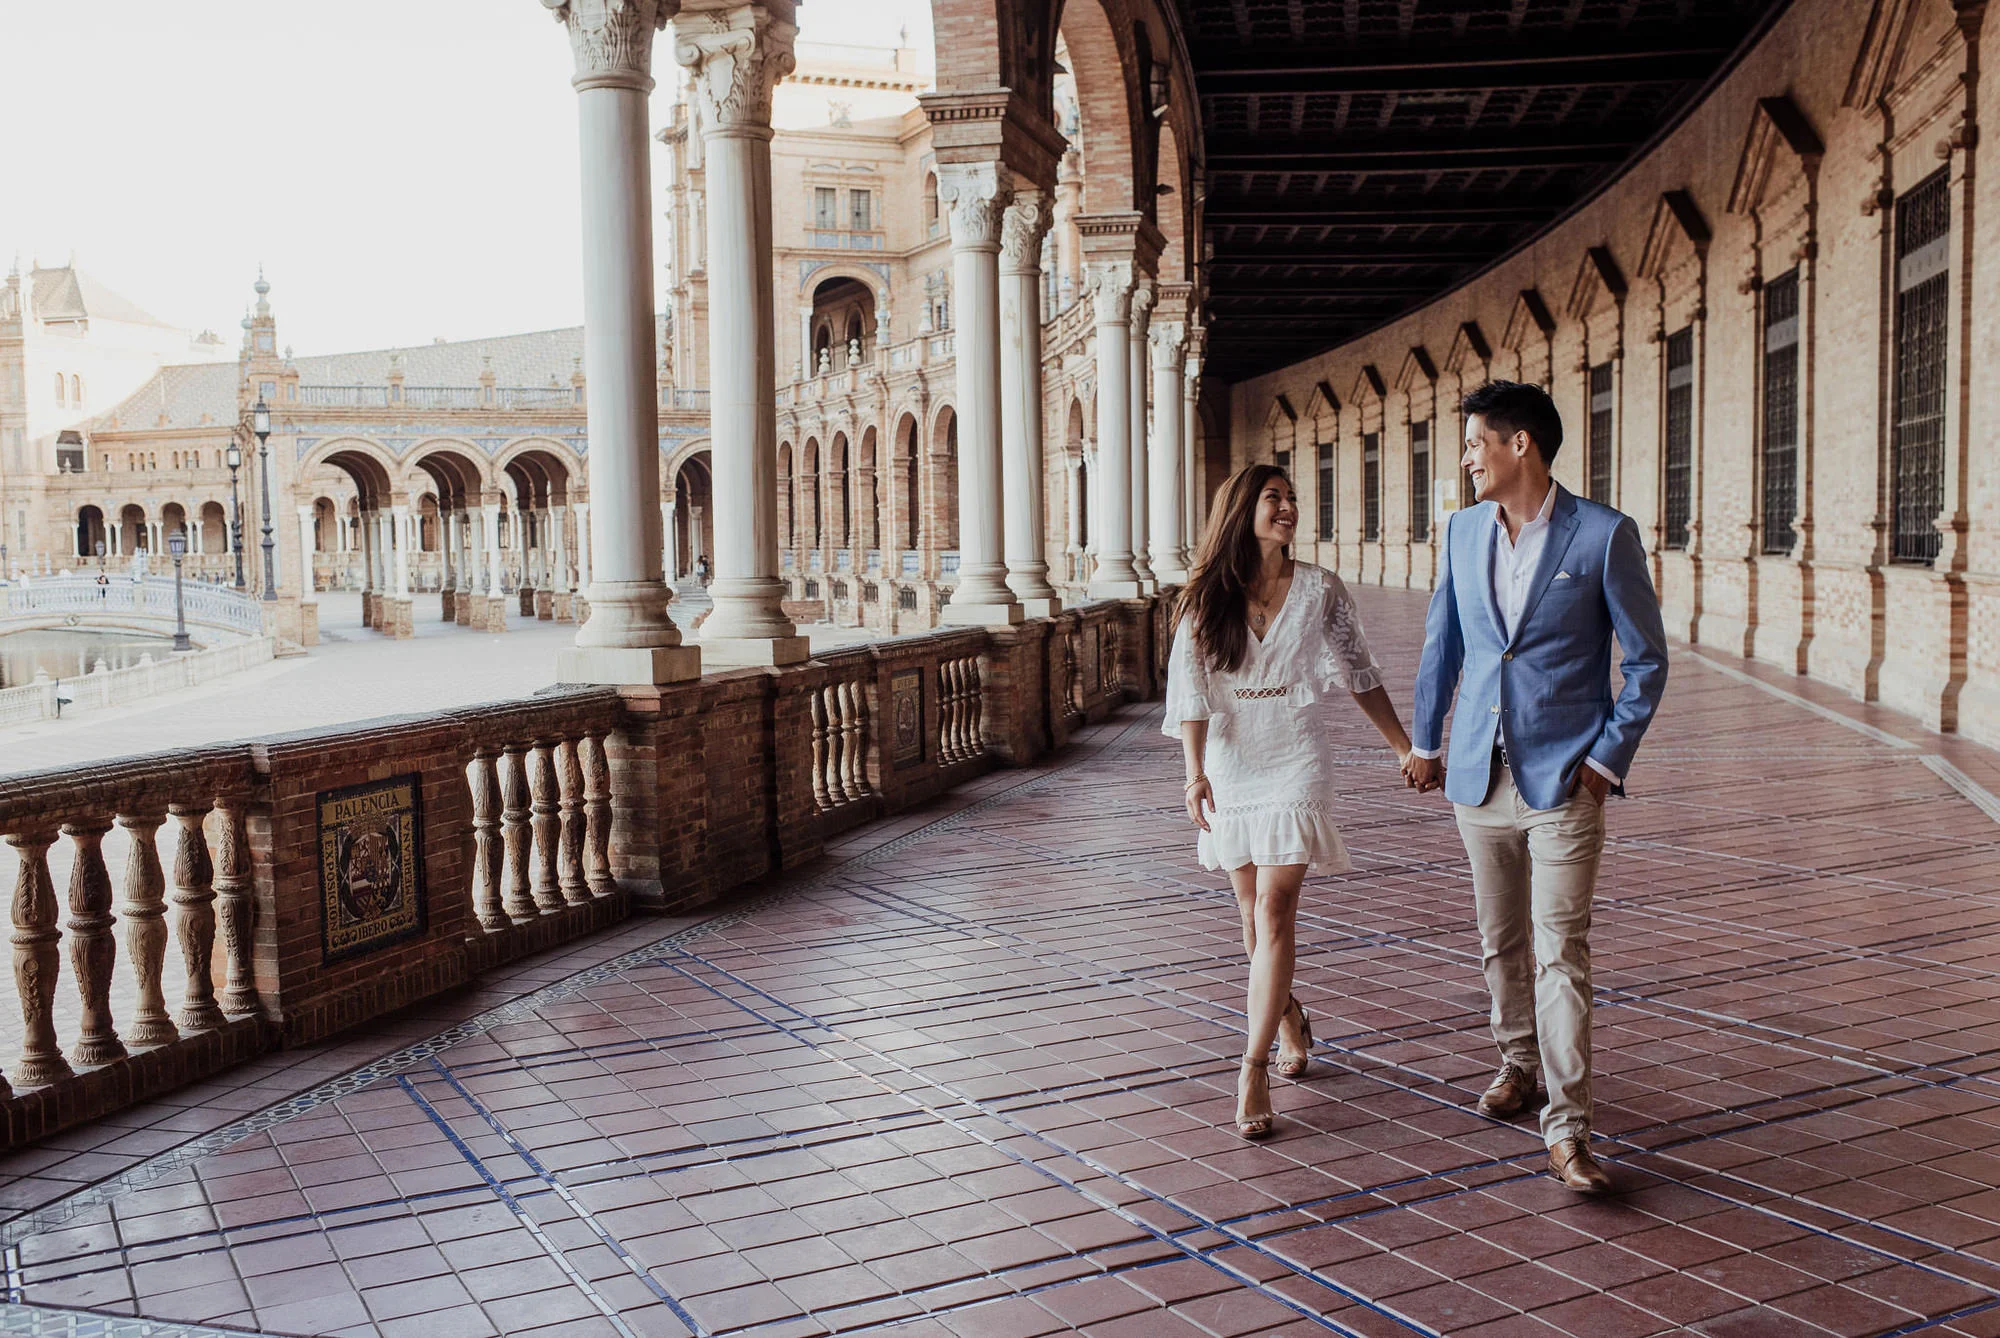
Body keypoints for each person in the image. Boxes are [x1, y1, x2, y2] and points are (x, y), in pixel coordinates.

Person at [1403, 380, 1668, 1194]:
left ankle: (1568, 1128)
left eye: (1476, 442)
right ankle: (1518, 1063)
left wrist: (1604, 761)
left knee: (1562, 955)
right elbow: (1443, 642)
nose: (1465, 458)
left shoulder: (1602, 535)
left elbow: (1647, 660)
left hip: (1563, 783)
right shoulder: (1461, 531)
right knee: (1500, 942)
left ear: (1521, 445)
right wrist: (1425, 739)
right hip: (1479, 778)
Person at [1166, 464, 1417, 1140]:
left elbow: (1360, 673)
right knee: (1251, 918)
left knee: (1275, 906)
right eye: (1274, 498)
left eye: (1293, 499)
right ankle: (1288, 1017)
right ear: (1242, 508)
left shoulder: (1320, 590)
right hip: (1232, 759)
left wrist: (1401, 745)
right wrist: (1194, 773)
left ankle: (1250, 1068)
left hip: (1297, 757)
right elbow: (1191, 696)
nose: (1289, 508)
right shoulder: (1203, 600)